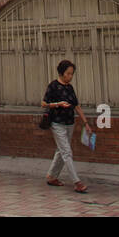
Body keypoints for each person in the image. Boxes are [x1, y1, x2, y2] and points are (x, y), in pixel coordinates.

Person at [42, 59, 91, 193]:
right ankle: (77, 182)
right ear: (62, 73)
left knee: (61, 150)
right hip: (57, 123)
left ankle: (51, 176)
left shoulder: (70, 88)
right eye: (68, 73)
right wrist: (58, 104)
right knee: (67, 152)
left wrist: (86, 123)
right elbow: (44, 103)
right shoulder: (53, 86)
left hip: (70, 123)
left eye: (72, 74)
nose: (70, 76)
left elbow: (77, 106)